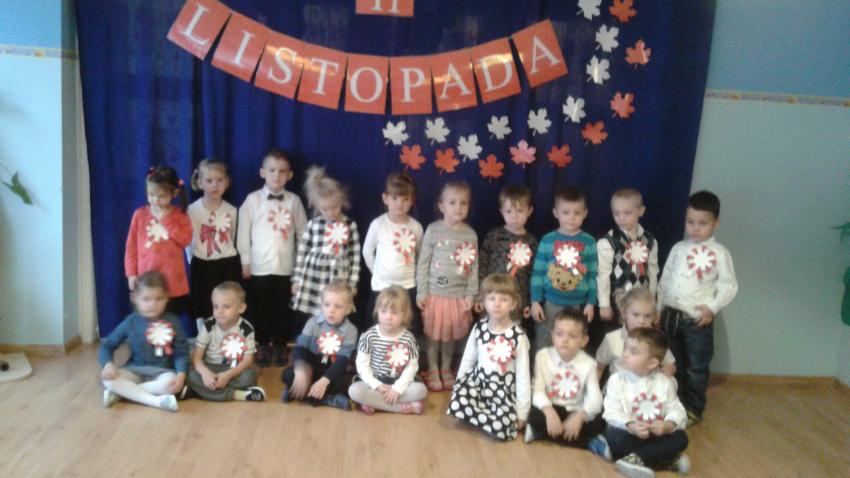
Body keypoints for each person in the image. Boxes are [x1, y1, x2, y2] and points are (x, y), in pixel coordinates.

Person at [658, 190, 738, 426]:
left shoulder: (719, 254)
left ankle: (694, 408)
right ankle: (677, 405)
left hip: (696, 321)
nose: (695, 228)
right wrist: (658, 308)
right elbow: (665, 279)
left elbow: (728, 286)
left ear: (716, 223)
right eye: (691, 222)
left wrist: (711, 308)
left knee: (696, 367)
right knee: (675, 363)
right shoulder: (678, 248)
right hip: (671, 317)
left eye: (702, 223)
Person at [237, 148, 307, 366]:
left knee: (282, 310)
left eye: (282, 171)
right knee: (260, 309)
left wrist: (300, 266)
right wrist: (245, 261)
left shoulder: (294, 201)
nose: (277, 175)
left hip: (286, 267)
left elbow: (303, 233)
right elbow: (243, 233)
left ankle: (280, 345)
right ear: (262, 172)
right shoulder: (252, 200)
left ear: (290, 175)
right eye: (272, 170)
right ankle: (261, 345)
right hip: (259, 267)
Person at [447, 273, 531, 441]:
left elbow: (523, 376)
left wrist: (522, 413)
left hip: (502, 391)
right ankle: (483, 418)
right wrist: (458, 387)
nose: (497, 304)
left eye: (504, 299)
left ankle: (486, 419)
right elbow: (468, 360)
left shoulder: (518, 337)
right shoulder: (479, 328)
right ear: (484, 302)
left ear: (513, 304)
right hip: (478, 384)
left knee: (501, 426)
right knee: (457, 402)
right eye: (492, 299)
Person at [603, 328, 691, 478]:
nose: (625, 354)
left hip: (655, 434)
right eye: (625, 348)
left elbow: (677, 410)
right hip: (629, 434)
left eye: (633, 352)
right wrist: (631, 425)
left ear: (652, 363)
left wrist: (667, 425)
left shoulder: (664, 383)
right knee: (614, 436)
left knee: (681, 438)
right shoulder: (616, 380)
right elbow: (611, 411)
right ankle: (661, 460)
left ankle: (635, 459)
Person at [416, 181, 478, 392]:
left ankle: (445, 367)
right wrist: (422, 292)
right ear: (441, 206)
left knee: (450, 335)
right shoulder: (433, 230)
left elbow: (473, 267)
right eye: (452, 202)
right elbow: (423, 263)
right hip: (434, 294)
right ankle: (432, 367)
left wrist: (471, 294)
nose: (458, 207)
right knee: (433, 335)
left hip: (457, 296)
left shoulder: (470, 234)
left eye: (463, 203)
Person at [99, 271, 189, 412]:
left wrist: (181, 375)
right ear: (135, 298)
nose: (152, 304)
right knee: (108, 380)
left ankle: (121, 394)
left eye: (158, 299)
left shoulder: (173, 321)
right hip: (135, 370)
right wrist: (108, 365)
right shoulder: (131, 321)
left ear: (167, 298)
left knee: (170, 383)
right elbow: (107, 345)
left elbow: (181, 352)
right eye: (146, 299)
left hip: (163, 372)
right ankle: (157, 401)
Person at [291, 166, 360, 336]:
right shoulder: (313, 224)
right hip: (314, 278)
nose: (330, 212)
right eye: (325, 209)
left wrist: (352, 284)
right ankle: (314, 343)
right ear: (317, 207)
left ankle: (335, 344)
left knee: (336, 311)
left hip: (338, 278)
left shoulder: (349, 225)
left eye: (334, 207)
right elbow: (302, 253)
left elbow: (355, 257)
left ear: (341, 201)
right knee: (315, 315)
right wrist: (297, 279)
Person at [530, 186, 598, 353]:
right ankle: (541, 370)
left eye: (577, 213)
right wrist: (535, 301)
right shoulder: (547, 240)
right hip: (550, 304)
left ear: (585, 214)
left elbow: (592, 275)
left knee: (573, 344)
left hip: (577, 306)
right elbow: (537, 273)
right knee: (544, 343)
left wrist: (591, 303)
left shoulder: (589, 242)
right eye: (566, 212)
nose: (571, 218)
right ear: (556, 213)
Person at [525, 310, 604, 451]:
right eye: (559, 334)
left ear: (584, 341)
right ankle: (584, 442)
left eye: (572, 336)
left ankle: (543, 434)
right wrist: (549, 411)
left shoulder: (589, 364)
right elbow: (537, 391)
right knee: (532, 413)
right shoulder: (542, 356)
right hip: (550, 407)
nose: (565, 340)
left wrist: (580, 416)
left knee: (599, 420)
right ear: (552, 336)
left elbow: (595, 398)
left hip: (574, 410)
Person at [124, 166, 192, 321]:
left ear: (174, 193)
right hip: (146, 280)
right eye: (151, 195)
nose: (155, 200)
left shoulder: (180, 215)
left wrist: (166, 221)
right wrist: (131, 273)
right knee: (148, 322)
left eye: (161, 196)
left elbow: (185, 240)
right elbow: (131, 247)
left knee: (170, 322)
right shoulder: (139, 215)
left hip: (172, 282)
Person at [596, 188, 659, 349]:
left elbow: (653, 272)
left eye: (627, 213)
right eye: (616, 213)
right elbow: (602, 275)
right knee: (615, 343)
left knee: (640, 343)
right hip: (617, 304)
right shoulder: (608, 241)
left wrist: (653, 304)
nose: (621, 218)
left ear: (641, 211)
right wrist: (604, 304)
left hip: (641, 306)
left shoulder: (650, 240)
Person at [362, 171, 423, 334]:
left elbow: (421, 255)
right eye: (395, 198)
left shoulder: (416, 227)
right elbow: (367, 251)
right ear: (385, 198)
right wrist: (376, 271)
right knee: (378, 326)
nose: (399, 204)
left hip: (408, 285)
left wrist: (416, 276)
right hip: (381, 286)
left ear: (412, 201)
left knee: (406, 327)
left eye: (405, 199)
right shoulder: (378, 224)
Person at [348, 286, 427, 414]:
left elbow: (411, 367)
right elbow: (362, 365)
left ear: (404, 315)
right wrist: (377, 385)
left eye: (394, 313)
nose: (388, 317)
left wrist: (397, 389)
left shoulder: (409, 339)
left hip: (400, 383)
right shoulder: (369, 336)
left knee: (421, 390)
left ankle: (374, 403)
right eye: (383, 311)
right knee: (354, 391)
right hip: (375, 383)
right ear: (377, 311)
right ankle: (401, 407)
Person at [282, 280, 358, 410]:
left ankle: (301, 395)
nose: (331, 310)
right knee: (288, 374)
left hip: (333, 371)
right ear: (321, 305)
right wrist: (301, 371)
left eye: (338, 306)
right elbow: (300, 348)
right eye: (327, 305)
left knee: (350, 384)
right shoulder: (313, 322)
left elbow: (342, 361)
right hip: (312, 368)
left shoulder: (351, 330)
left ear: (347, 309)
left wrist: (325, 380)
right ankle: (328, 399)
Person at [185, 281, 265, 402]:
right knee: (190, 374)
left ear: (241, 308)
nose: (219, 311)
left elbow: (247, 360)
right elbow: (197, 358)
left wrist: (227, 375)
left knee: (249, 376)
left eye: (226, 307)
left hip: (233, 369)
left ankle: (201, 391)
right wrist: (206, 374)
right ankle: (236, 394)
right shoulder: (208, 326)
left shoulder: (246, 329)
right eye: (215, 306)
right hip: (211, 367)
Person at [478, 185, 538, 333]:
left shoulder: (531, 241)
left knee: (511, 333)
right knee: (487, 331)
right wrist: (479, 296)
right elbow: (482, 265)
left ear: (529, 211)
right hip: (491, 298)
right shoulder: (494, 236)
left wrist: (527, 302)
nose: (514, 216)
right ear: (501, 211)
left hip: (515, 302)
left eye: (520, 211)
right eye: (509, 211)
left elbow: (532, 275)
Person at [188, 159, 241, 322]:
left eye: (219, 180)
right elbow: (188, 240)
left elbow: (232, 236)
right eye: (209, 181)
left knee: (227, 302)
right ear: (200, 183)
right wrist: (193, 259)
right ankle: (203, 334)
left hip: (227, 264)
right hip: (202, 264)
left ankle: (226, 333)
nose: (215, 185)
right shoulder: (192, 210)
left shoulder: (232, 210)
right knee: (202, 304)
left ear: (227, 182)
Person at [596, 287, 676, 381]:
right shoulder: (612, 339)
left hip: (647, 388)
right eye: (636, 315)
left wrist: (666, 372)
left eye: (647, 316)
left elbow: (670, 365)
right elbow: (599, 367)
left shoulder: (656, 340)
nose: (641, 321)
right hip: (619, 387)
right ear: (624, 313)